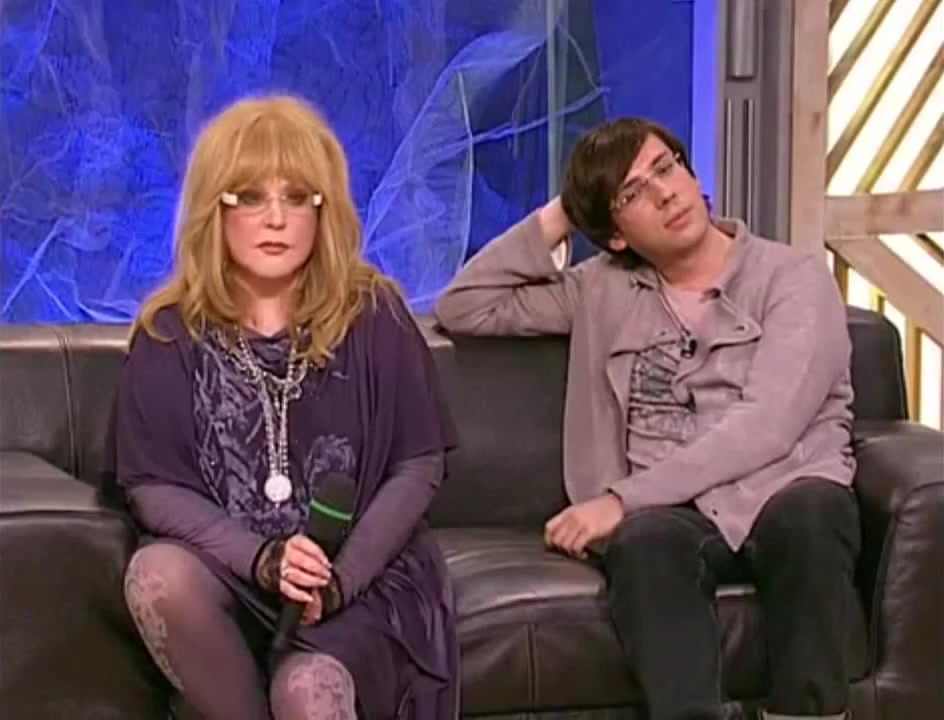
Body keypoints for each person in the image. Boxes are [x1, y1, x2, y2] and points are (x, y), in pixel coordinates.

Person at [433, 118, 859, 720]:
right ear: (614, 237)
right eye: (631, 193)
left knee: (812, 516)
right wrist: (568, 210)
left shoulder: (793, 278)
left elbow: (768, 424)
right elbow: (465, 305)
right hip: (671, 512)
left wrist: (619, 500)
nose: (664, 193)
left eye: (665, 167)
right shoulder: (600, 290)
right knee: (645, 543)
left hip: (782, 486)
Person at [113, 94, 458, 720]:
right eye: (249, 197)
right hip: (233, 572)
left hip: (360, 582)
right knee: (157, 576)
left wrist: (339, 580)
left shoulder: (374, 314)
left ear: (323, 212)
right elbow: (153, 488)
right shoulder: (167, 332)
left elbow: (418, 464)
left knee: (306, 692)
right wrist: (263, 559)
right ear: (214, 210)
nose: (275, 218)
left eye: (297, 197)